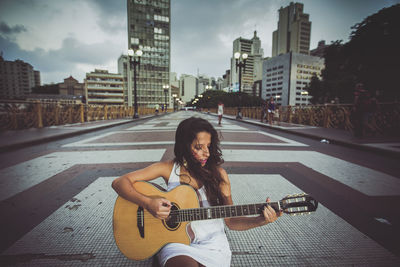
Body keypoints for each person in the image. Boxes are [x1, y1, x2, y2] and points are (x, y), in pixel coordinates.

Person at [112, 117, 282, 267]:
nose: (206, 153)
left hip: (213, 243)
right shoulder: (168, 168)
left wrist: (260, 220)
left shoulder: (219, 175)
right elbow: (119, 182)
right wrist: (148, 203)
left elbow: (231, 222)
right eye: (199, 147)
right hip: (177, 244)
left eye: (209, 146)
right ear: (184, 146)